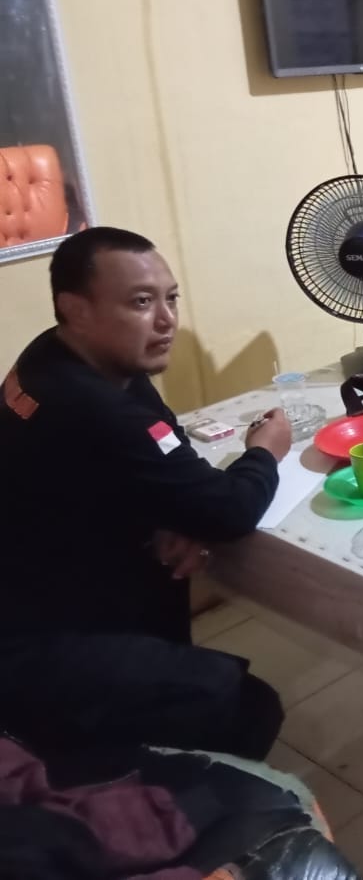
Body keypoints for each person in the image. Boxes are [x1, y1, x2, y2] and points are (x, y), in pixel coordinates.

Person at [0, 227, 293, 760]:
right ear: (76, 309)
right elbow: (230, 511)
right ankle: (148, 790)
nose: (167, 320)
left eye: (171, 298)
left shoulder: (57, 354)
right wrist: (264, 451)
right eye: (141, 302)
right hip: (37, 641)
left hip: (53, 570)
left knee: (165, 590)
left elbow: (157, 430)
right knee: (247, 706)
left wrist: (173, 510)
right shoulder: (94, 407)